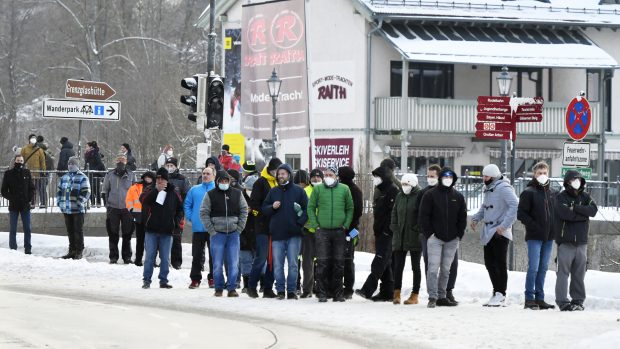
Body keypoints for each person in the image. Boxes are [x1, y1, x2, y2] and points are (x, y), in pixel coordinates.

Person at [471, 164, 518, 307]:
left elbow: (515, 205)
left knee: (499, 264)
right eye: (483, 176)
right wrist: (476, 218)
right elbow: (485, 206)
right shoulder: (489, 188)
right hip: (488, 231)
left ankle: (501, 294)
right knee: (489, 263)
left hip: (500, 232)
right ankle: (496, 291)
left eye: (486, 176)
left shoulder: (504, 188)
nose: (484, 179)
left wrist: (504, 226)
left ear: (493, 176)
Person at [418, 167, 466, 308]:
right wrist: (430, 234)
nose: (447, 179)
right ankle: (432, 296)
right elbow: (423, 216)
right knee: (433, 268)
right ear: (440, 178)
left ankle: (442, 296)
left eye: (450, 177)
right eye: (445, 176)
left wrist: (459, 234)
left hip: (452, 239)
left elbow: (462, 217)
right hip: (434, 238)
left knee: (446, 269)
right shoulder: (430, 195)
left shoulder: (458, 196)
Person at [262, 164, 308, 300]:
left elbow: (307, 210)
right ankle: (280, 290)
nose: (281, 176)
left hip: (294, 234)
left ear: (289, 175)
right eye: (279, 173)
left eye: (283, 173)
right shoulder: (273, 191)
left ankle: (292, 290)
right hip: (277, 234)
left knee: (293, 264)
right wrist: (272, 207)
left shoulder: (299, 191)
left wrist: (299, 223)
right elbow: (264, 208)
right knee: (277, 265)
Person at [308, 166, 354, 302]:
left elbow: (350, 208)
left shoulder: (344, 189)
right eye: (326, 174)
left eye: (331, 174)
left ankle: (338, 293)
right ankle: (322, 293)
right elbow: (310, 207)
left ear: (336, 176)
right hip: (322, 231)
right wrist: (315, 225)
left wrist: (345, 224)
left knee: (339, 263)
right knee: (322, 263)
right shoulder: (318, 189)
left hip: (339, 231)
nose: (328, 176)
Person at [200, 170, 249, 297]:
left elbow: (244, 210)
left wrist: (239, 228)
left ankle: (232, 287)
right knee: (217, 263)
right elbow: (204, 212)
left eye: (226, 181)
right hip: (217, 235)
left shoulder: (237, 194)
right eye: (221, 181)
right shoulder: (210, 195)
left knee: (233, 263)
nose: (224, 183)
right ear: (217, 182)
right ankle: (218, 287)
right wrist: (211, 230)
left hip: (233, 234)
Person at [554, 170, 597, 311]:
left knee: (579, 273)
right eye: (574, 179)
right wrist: (582, 214)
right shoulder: (561, 197)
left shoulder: (585, 196)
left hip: (582, 243)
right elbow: (565, 214)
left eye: (578, 179)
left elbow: (593, 210)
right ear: (567, 181)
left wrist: (576, 208)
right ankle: (562, 301)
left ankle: (578, 301)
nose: (577, 181)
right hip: (566, 242)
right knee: (563, 273)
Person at [517, 161, 557, 310]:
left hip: (549, 237)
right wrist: (534, 226)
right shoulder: (528, 192)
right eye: (539, 173)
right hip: (534, 236)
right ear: (534, 174)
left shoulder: (553, 192)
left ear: (548, 173)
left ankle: (540, 298)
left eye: (544, 173)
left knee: (544, 267)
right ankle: (529, 298)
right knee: (533, 267)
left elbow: (556, 213)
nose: (542, 175)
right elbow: (521, 214)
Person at [356, 166, 399, 302]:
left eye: (377, 176)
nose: (375, 179)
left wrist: (388, 230)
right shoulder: (382, 191)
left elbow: (393, 214)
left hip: (387, 233)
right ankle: (387, 292)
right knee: (385, 263)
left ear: (384, 177)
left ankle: (367, 290)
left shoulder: (392, 191)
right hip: (380, 232)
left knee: (379, 262)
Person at [141, 168, 184, 289]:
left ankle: (163, 280)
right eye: (158, 178)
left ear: (167, 180)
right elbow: (143, 200)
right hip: (151, 230)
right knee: (149, 257)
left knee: (165, 258)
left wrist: (175, 222)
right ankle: (147, 280)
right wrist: (156, 191)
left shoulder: (174, 192)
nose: (160, 181)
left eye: (163, 178)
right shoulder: (150, 189)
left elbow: (180, 208)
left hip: (167, 230)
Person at [247, 158, 282, 299]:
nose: (277, 174)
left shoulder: (280, 183)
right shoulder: (260, 183)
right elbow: (255, 204)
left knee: (273, 259)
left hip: (277, 227)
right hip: (263, 226)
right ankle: (251, 286)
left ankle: (268, 287)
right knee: (261, 257)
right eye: (275, 171)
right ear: (270, 170)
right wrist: (263, 214)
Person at [390, 173, 423, 305]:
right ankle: (396, 292)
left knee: (416, 266)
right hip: (400, 235)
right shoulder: (400, 196)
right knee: (398, 265)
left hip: (414, 235)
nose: (404, 187)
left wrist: (418, 228)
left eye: (407, 184)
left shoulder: (419, 196)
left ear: (413, 184)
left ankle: (415, 294)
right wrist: (394, 226)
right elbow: (394, 212)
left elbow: (422, 213)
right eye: (403, 184)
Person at [185, 167, 216, 288]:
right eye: (203, 173)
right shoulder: (194, 189)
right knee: (196, 254)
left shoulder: (216, 190)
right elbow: (187, 204)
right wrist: (190, 217)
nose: (205, 175)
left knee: (214, 255)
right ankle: (195, 279)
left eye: (208, 174)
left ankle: (213, 278)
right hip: (198, 227)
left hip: (213, 228)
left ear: (213, 175)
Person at [102, 154, 136, 264]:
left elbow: (135, 192)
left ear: (126, 162)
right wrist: (107, 205)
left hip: (127, 209)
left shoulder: (131, 175)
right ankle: (113, 256)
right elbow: (105, 191)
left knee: (127, 234)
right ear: (115, 162)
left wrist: (133, 207)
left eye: (123, 160)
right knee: (113, 233)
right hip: (113, 208)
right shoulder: (110, 174)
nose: (120, 162)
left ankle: (127, 257)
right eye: (118, 160)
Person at [56, 157, 91, 259]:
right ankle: (72, 250)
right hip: (66, 209)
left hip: (77, 209)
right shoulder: (64, 177)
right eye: (69, 164)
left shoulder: (83, 177)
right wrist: (59, 202)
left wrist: (80, 202)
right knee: (70, 230)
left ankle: (79, 251)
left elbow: (87, 192)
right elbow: (59, 191)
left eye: (73, 164)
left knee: (77, 230)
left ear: (77, 165)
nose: (70, 165)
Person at [338, 166, 363, 299]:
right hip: (354, 229)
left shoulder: (344, 189)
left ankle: (346, 288)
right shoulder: (357, 190)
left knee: (344, 259)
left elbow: (356, 211)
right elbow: (359, 212)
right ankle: (348, 288)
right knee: (349, 258)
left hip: (347, 229)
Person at [1, 155, 35, 254]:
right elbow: (3, 190)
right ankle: (13, 249)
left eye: (21, 160)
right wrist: (11, 198)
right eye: (18, 160)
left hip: (25, 205)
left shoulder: (27, 172)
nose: (19, 162)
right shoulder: (8, 173)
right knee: (13, 228)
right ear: (14, 161)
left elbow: (32, 188)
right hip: (13, 206)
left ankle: (28, 249)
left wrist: (28, 198)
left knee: (27, 228)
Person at [163, 157, 191, 269]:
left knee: (176, 238)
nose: (169, 168)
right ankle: (164, 260)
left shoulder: (183, 179)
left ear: (176, 166)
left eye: (172, 165)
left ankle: (176, 262)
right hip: (163, 212)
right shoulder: (162, 178)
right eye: (168, 165)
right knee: (164, 237)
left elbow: (187, 196)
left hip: (177, 212)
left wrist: (182, 211)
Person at [299, 169, 322, 298]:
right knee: (307, 262)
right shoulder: (305, 191)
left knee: (322, 261)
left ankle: (320, 287)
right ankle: (307, 289)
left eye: (319, 177)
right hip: (308, 230)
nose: (316, 179)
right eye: (314, 177)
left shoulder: (325, 190)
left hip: (323, 230)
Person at [126, 171, 155, 267]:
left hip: (151, 218)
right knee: (140, 240)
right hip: (138, 217)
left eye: (150, 178)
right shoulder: (134, 188)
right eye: (146, 177)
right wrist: (131, 210)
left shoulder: (156, 188)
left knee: (151, 242)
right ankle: (138, 260)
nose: (148, 179)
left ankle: (151, 260)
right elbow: (128, 200)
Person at [240, 174, 258, 293]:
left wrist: (255, 211)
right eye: (249, 189)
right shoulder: (240, 197)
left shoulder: (261, 197)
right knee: (245, 260)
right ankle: (246, 284)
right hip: (243, 232)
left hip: (258, 232)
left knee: (260, 260)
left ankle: (261, 283)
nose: (250, 192)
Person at [21, 134, 46, 207]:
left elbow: (42, 162)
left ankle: (37, 203)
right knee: (28, 189)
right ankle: (30, 202)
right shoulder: (24, 149)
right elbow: (21, 159)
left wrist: (43, 171)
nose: (33, 140)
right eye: (32, 138)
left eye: (34, 138)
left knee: (36, 188)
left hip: (37, 173)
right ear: (29, 140)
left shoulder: (39, 150)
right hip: (27, 173)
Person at [84, 141, 106, 206]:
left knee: (96, 189)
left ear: (90, 147)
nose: (85, 148)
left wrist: (94, 170)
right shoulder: (88, 154)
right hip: (89, 173)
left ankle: (98, 203)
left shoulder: (95, 153)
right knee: (90, 189)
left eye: (86, 147)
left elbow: (99, 163)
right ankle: (93, 203)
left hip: (94, 174)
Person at [35, 135, 54, 208]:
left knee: (38, 188)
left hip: (39, 171)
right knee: (43, 188)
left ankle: (37, 203)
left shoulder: (36, 149)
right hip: (47, 171)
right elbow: (51, 160)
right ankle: (44, 202)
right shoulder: (47, 150)